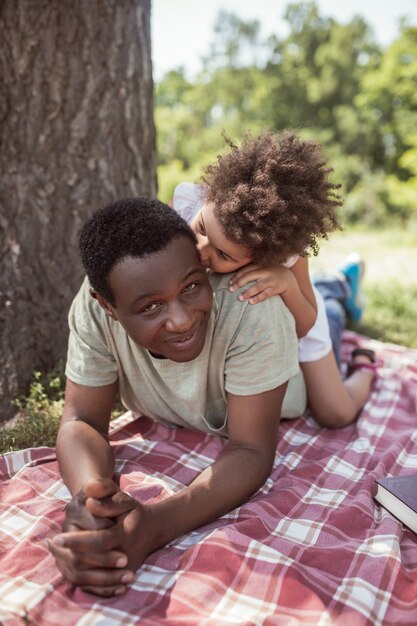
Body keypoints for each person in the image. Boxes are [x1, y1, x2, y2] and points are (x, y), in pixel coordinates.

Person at [49, 195, 307, 597]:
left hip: (293, 377)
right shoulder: (93, 305)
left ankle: (340, 284)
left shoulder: (253, 307)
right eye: (151, 307)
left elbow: (251, 450)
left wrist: (152, 525)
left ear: (202, 265)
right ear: (108, 307)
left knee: (332, 321)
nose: (182, 319)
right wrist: (94, 505)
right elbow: (81, 419)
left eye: (191, 287)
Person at [173, 129, 377, 427]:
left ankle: (361, 353)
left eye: (223, 255)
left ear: (263, 257)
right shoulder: (190, 204)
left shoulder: (285, 254)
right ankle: (335, 282)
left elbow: (305, 323)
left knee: (336, 414)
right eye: (202, 228)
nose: (201, 250)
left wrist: (289, 283)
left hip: (300, 312)